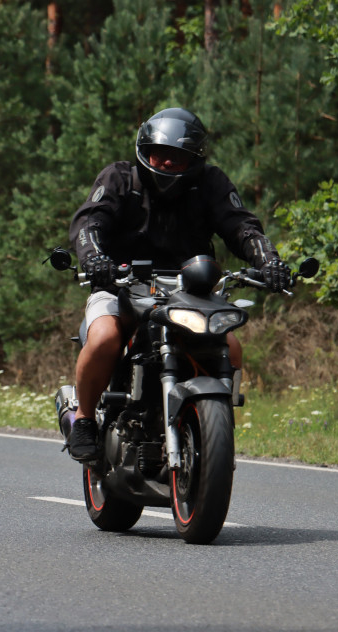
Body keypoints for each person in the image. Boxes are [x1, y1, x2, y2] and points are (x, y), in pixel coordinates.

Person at [66, 107, 290, 462]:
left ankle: (211, 427)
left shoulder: (211, 184)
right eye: (161, 154)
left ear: (195, 160)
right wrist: (94, 258)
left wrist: (269, 260)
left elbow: (240, 226)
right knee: (106, 337)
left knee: (230, 348)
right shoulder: (119, 179)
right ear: (144, 150)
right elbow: (89, 223)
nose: (168, 164)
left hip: (192, 290)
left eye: (179, 157)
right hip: (122, 284)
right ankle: (84, 419)